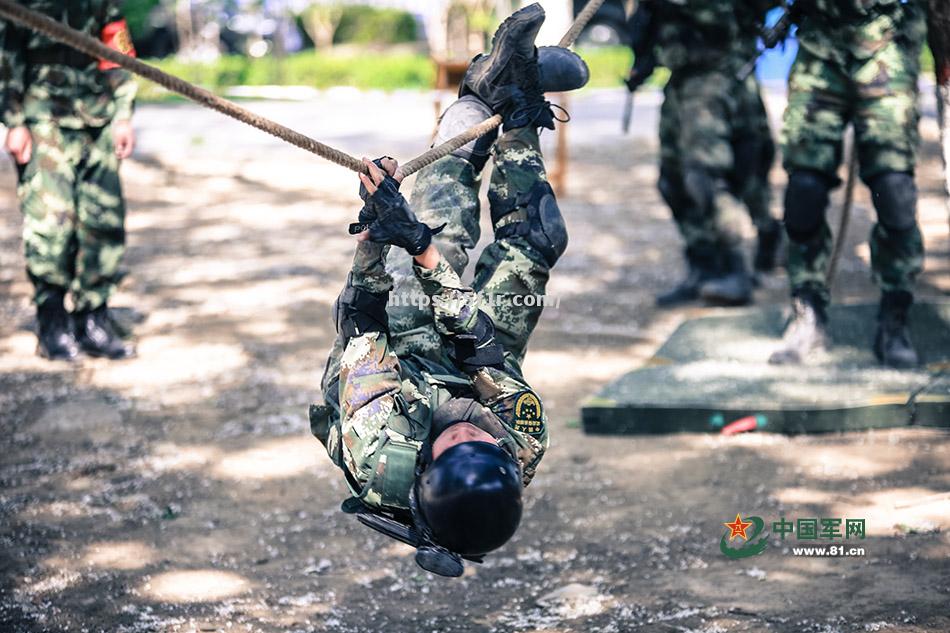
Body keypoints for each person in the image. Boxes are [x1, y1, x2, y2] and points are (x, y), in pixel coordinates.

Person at [309, 3, 588, 576]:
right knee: (537, 238)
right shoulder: (523, 441)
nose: (467, 432)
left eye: (454, 443)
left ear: (427, 467)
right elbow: (480, 349)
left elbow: (362, 322)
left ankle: (472, 107)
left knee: (444, 229)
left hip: (397, 360)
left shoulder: (380, 447)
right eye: (480, 440)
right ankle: (511, 101)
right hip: (476, 364)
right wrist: (423, 251)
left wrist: (383, 233)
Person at [769, 0, 928, 367]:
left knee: (894, 192)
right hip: (820, 49)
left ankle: (895, 316)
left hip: (886, 42)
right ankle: (807, 313)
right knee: (803, 192)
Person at [1, 0, 137, 361]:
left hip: (98, 117)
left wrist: (123, 114)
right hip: (43, 119)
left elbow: (118, 48)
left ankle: (93, 319)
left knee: (103, 222)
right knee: (52, 224)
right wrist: (13, 120)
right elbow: (7, 53)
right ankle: (53, 323)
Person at [625, 0, 783, 307]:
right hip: (681, 77)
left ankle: (737, 267)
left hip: (719, 75)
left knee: (706, 178)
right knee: (671, 181)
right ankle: (703, 266)